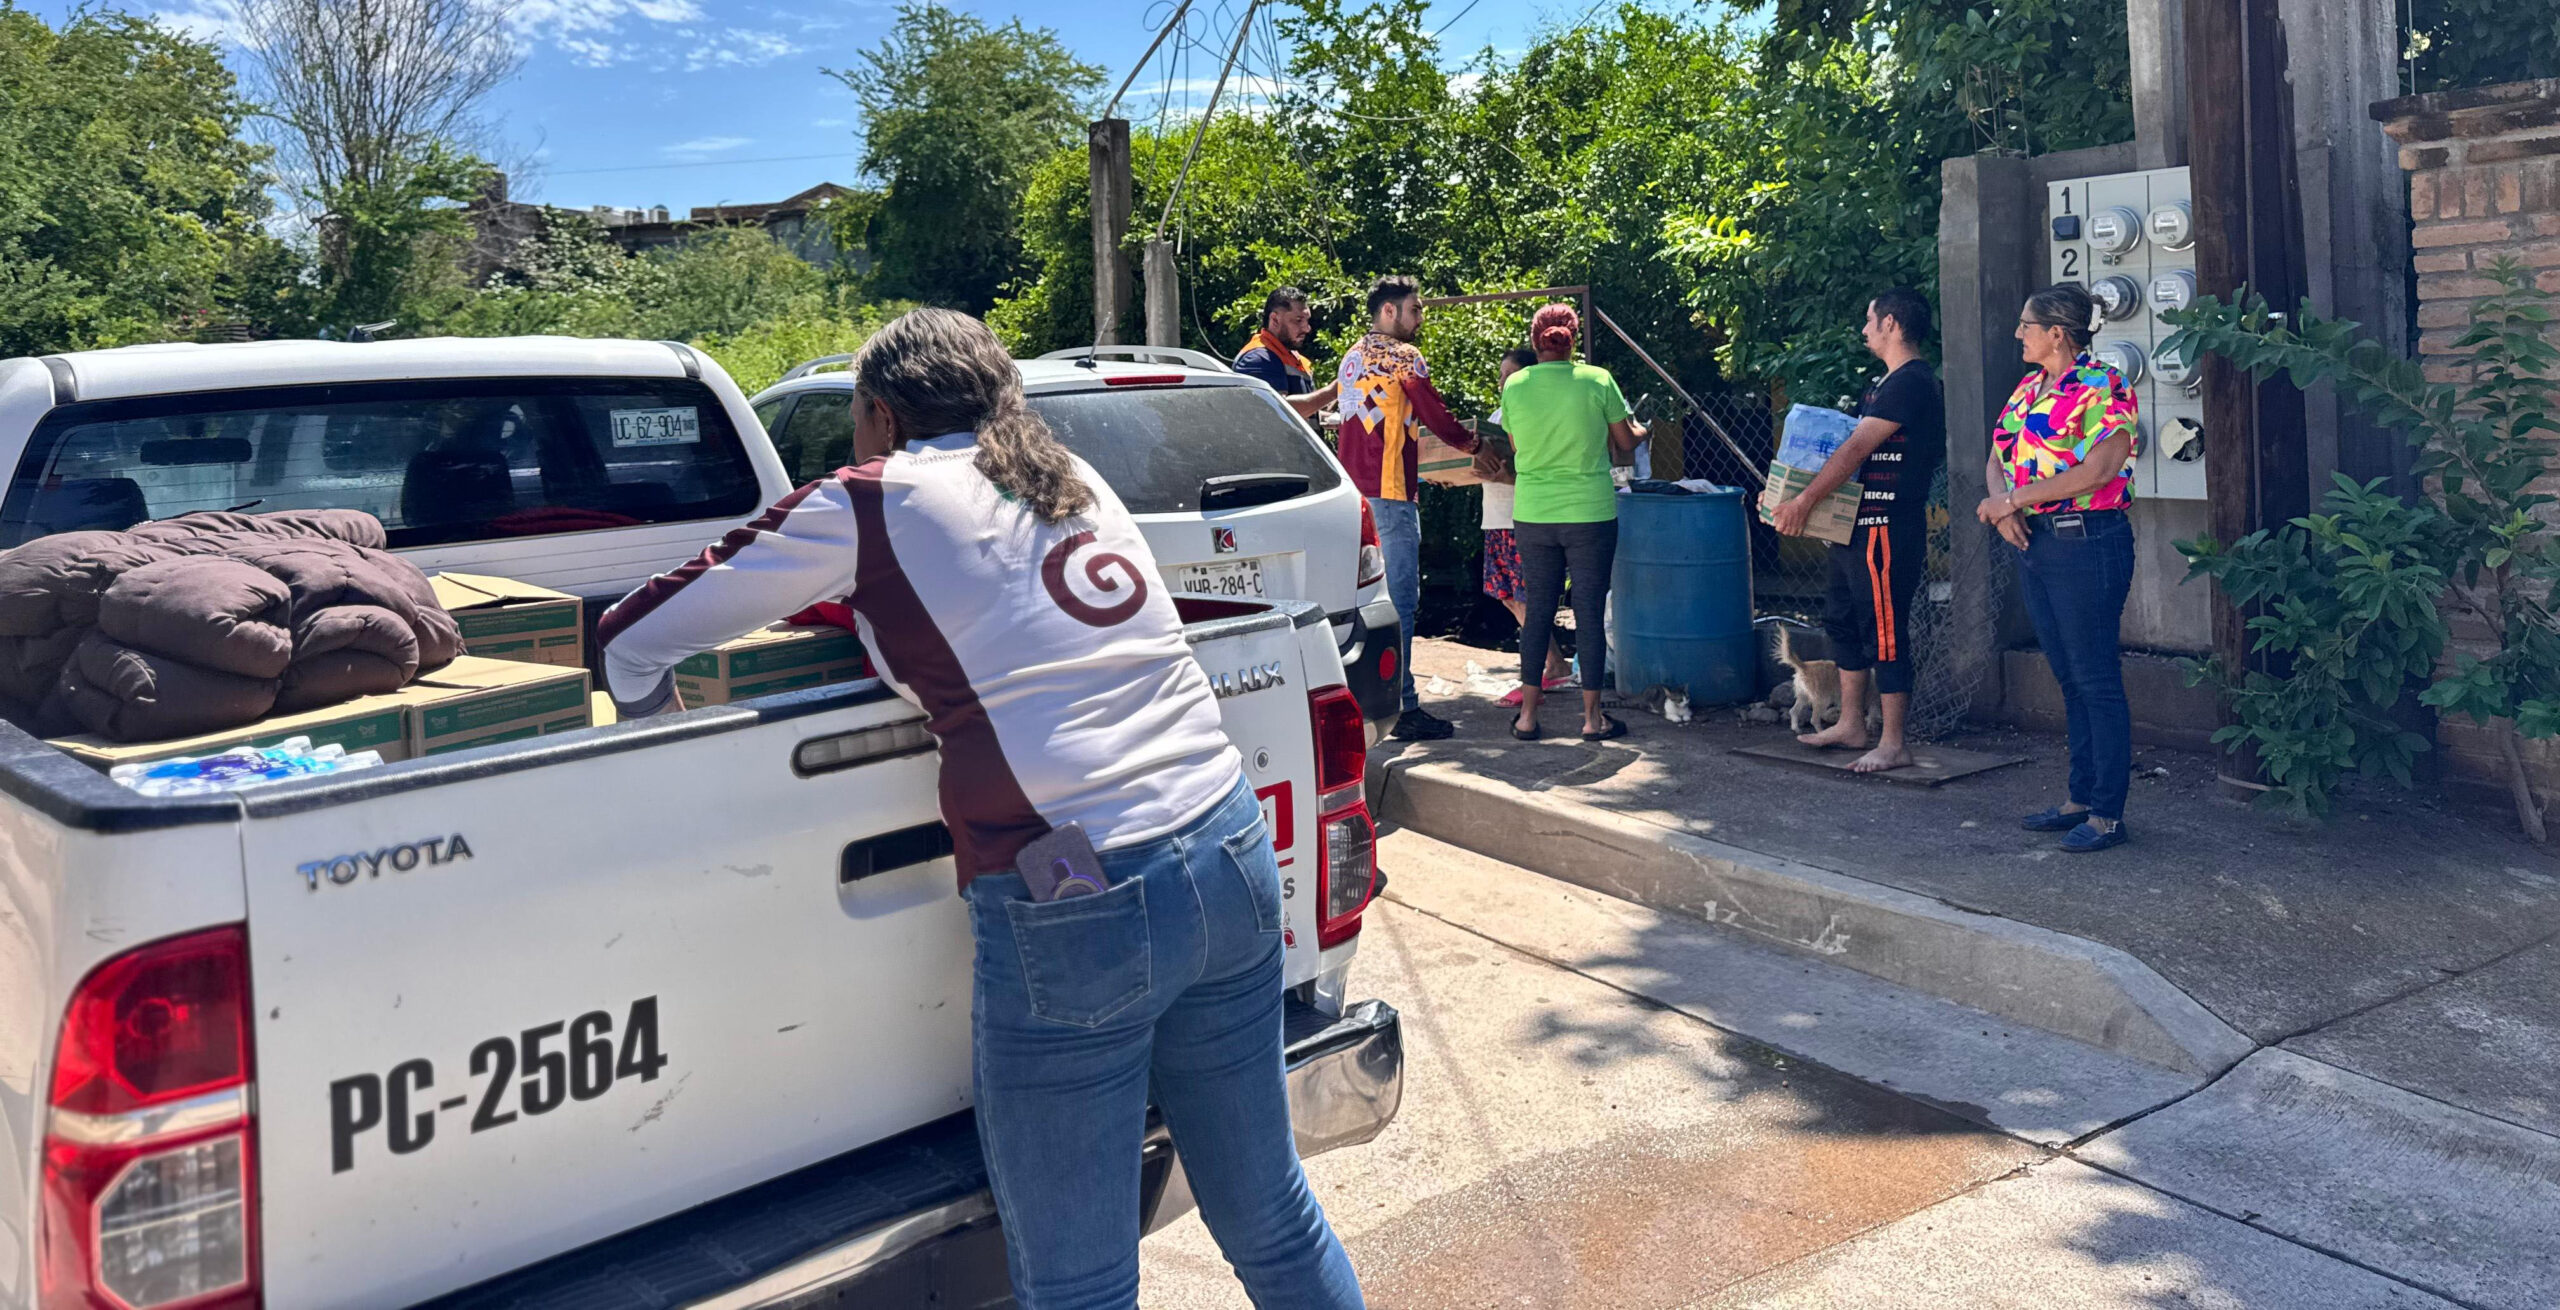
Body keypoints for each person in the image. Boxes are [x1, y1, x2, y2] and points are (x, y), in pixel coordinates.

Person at [596, 308, 1365, 1308]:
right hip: (1228, 845)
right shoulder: (1070, 476)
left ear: (876, 413)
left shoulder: (872, 500)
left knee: (1078, 1281)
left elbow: (630, 637)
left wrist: (667, 776)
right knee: (1271, 1211)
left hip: (1080, 897)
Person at [1975, 284, 2141, 853]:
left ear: (2057, 333)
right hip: (2037, 543)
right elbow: (1998, 455)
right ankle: (2079, 798)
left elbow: (2100, 470)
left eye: (2026, 324)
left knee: (2095, 678)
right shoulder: (2029, 386)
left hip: (2088, 542)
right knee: (2069, 676)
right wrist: (2003, 511)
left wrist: (2013, 502)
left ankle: (2108, 816)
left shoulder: (2103, 386)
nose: (2017, 333)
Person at [1772, 288, 1945, 773]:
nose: (1864, 330)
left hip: (1887, 531)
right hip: (1855, 529)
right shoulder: (1884, 383)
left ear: (1890, 324)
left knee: (1885, 635)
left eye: (1869, 320)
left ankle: (1893, 742)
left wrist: (1805, 501)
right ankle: (1852, 724)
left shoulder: (1910, 382)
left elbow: (1853, 451)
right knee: (1842, 622)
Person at [1337, 275, 1481, 741]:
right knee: (1401, 602)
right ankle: (1402, 705)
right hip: (1391, 493)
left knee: (1360, 604)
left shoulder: (1352, 357)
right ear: (1389, 312)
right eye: (1415, 309)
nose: (1420, 319)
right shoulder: (1404, 358)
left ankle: (1362, 700)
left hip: (1351, 498)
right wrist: (1474, 444)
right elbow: (1436, 414)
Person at [1503, 303, 1645, 743]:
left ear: (1534, 341)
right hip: (1590, 512)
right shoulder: (1598, 379)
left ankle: (1527, 717)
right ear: (1573, 340)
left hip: (1534, 513)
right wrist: (1641, 428)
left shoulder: (1515, 386)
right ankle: (1591, 719)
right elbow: (1624, 442)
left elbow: (1514, 444)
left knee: (1539, 612)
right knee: (1587, 611)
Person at [1479, 344, 1572, 707]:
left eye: (1510, 375)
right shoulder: (1500, 413)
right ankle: (1553, 664)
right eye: (1501, 376)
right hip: (1496, 518)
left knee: (1523, 596)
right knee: (1507, 595)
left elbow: (1542, 470)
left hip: (1521, 517)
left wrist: (1508, 479)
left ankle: (1547, 667)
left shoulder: (1537, 415)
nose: (1503, 382)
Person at [1234, 286, 1340, 420]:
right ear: (1275, 319)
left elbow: (1302, 416)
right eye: (1298, 320)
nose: (1307, 328)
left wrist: (1328, 418)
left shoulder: (1293, 357)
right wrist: (1332, 392)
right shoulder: (1257, 357)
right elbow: (1277, 410)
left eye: (1307, 320)